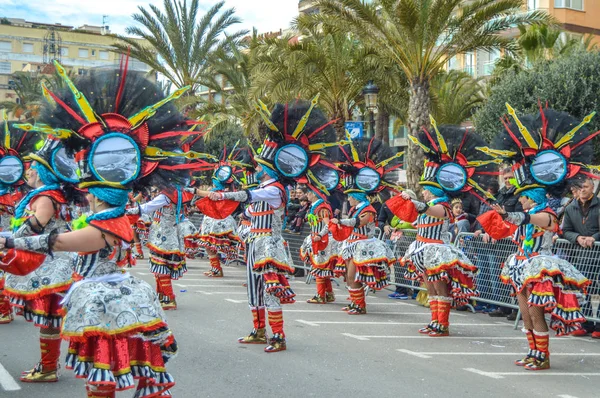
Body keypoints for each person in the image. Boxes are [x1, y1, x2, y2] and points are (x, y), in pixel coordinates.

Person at [0, 64, 207, 396]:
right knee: (101, 374)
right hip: (96, 295)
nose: (85, 192)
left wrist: (9, 238)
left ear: (99, 192)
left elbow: (59, 241)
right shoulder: (106, 216)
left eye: (90, 189)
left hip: (107, 301)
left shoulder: (109, 222)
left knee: (102, 374)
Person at [196, 95, 340, 352]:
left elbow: (247, 196)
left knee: (270, 289)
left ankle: (279, 336)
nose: (258, 168)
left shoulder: (274, 189)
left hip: (269, 245)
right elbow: (250, 207)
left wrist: (220, 195)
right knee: (253, 287)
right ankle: (258, 330)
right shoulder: (265, 186)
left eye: (262, 165)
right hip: (254, 242)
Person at [477, 104, 593, 370]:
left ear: (536, 197)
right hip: (520, 263)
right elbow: (509, 228)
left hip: (538, 267)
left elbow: (532, 220)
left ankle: (543, 355)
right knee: (525, 312)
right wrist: (497, 219)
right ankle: (532, 350)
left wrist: (510, 215)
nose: (522, 199)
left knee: (534, 311)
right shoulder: (529, 212)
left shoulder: (546, 214)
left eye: (526, 196)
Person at [386, 121, 494, 336]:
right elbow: (413, 213)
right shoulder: (432, 205)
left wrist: (413, 200)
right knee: (430, 287)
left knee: (439, 287)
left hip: (436, 251)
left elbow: (426, 210)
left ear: (434, 190)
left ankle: (442, 324)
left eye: (426, 190)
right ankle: (435, 321)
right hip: (423, 249)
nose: (423, 192)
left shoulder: (442, 206)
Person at [2, 137, 77, 382]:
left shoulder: (45, 197)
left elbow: (36, 225)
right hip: (53, 262)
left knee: (50, 320)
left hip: (52, 265)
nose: (30, 171)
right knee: (50, 320)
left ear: (44, 170)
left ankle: (48, 368)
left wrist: (12, 238)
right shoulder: (50, 194)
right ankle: (48, 366)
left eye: (34, 167)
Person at [329, 137, 401, 315]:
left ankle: (360, 305)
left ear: (358, 196)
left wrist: (340, 221)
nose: (349, 198)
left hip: (362, 245)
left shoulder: (368, 209)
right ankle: (355, 303)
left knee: (353, 276)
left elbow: (359, 222)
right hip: (351, 245)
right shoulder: (354, 207)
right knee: (348, 276)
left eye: (351, 195)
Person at [196, 145, 247, 277]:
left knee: (210, 245)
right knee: (210, 245)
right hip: (215, 219)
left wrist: (193, 191)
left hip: (217, 220)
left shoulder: (220, 189)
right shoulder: (223, 187)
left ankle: (218, 269)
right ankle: (216, 268)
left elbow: (208, 194)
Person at [561, 176, 600, 338]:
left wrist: (595, 237)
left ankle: (598, 324)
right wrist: (577, 237)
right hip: (582, 255)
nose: (583, 190)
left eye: (585, 186)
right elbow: (566, 230)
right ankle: (585, 323)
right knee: (583, 289)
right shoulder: (571, 208)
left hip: (597, 251)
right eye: (580, 187)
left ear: (592, 188)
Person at [300, 186, 341, 304]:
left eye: (308, 193)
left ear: (314, 194)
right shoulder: (315, 207)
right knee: (321, 267)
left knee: (319, 267)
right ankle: (328, 294)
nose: (307, 195)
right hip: (316, 238)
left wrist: (320, 235)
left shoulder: (322, 208)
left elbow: (328, 224)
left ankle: (320, 295)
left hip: (323, 241)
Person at [378, 190, 417, 300]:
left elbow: (413, 223)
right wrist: (385, 226)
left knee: (414, 264)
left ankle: (417, 291)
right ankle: (401, 290)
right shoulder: (387, 206)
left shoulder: (416, 207)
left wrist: (401, 226)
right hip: (397, 239)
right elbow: (383, 221)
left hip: (412, 239)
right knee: (399, 263)